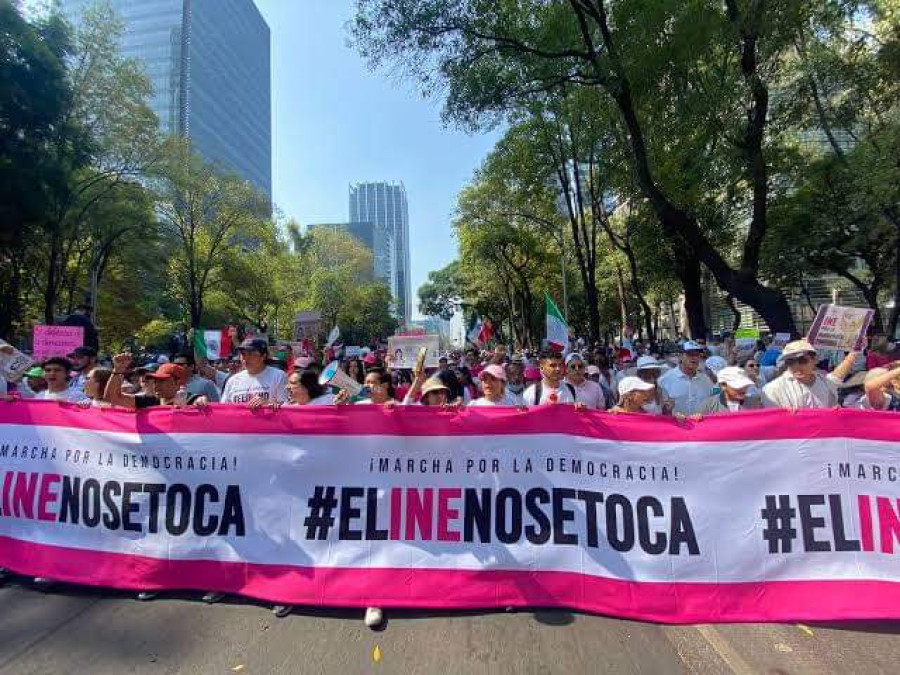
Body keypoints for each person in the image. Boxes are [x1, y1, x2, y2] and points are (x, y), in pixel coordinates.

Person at [762, 339, 857, 410]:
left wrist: (854, 352)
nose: (796, 366)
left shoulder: (826, 383)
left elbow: (837, 376)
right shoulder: (772, 389)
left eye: (802, 360)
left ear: (815, 360)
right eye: (790, 362)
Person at [220, 338, 288, 408]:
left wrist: (268, 403)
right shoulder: (232, 380)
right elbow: (223, 409)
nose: (245, 358)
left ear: (263, 356)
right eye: (243, 354)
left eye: (250, 354)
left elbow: (287, 407)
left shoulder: (278, 376)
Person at [657, 341, 714, 415]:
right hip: (677, 425)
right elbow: (660, 412)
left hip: (702, 425)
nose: (694, 358)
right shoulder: (665, 380)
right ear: (680, 356)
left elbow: (714, 401)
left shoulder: (706, 380)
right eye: (690, 354)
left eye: (697, 355)